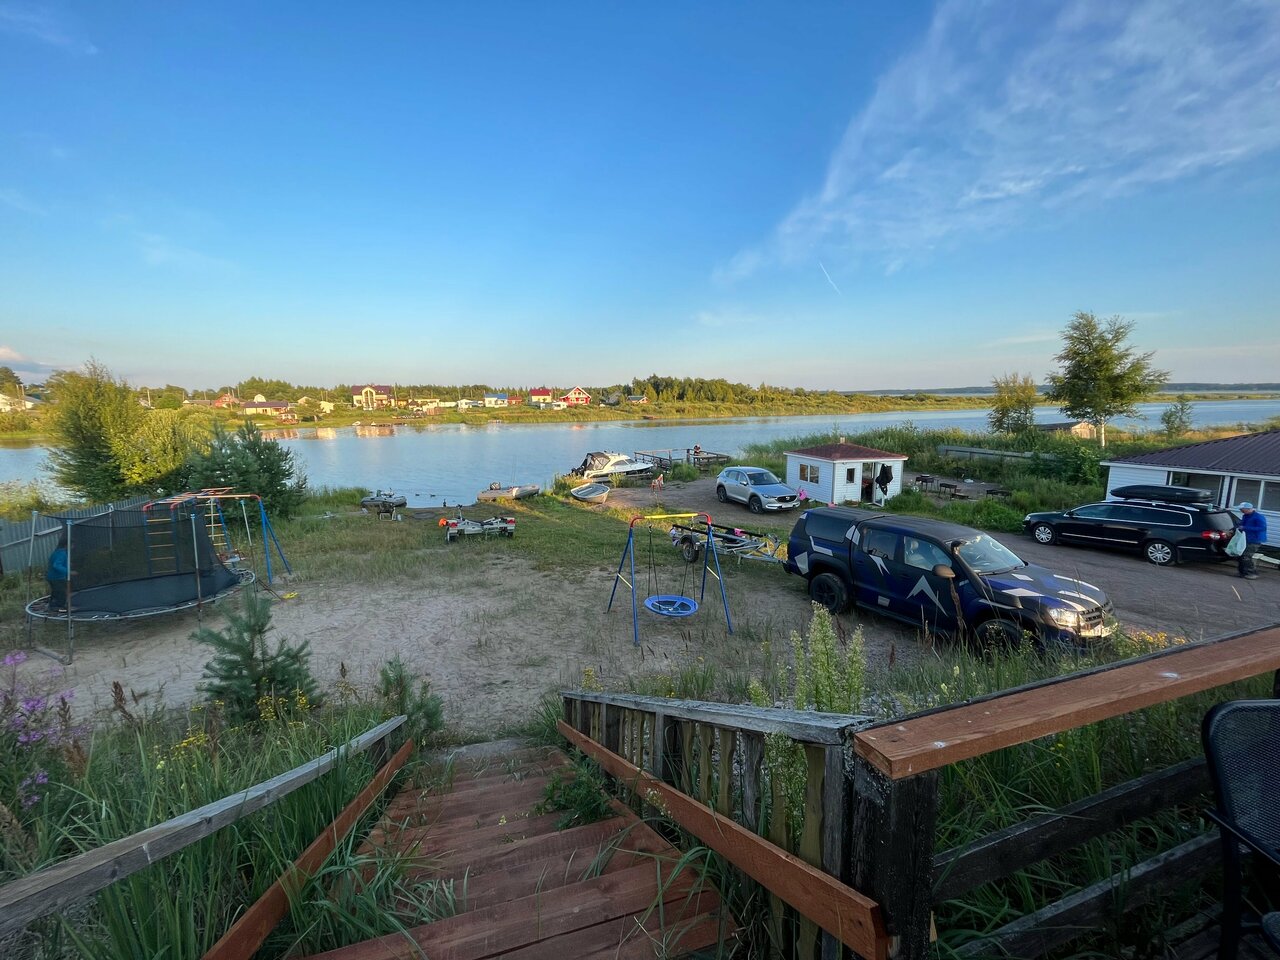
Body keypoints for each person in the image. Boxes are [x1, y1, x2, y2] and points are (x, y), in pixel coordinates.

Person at [1235, 502, 1268, 580]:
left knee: (1246, 556)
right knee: (1241, 555)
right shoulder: (1245, 516)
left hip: (1254, 540)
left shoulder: (1258, 517)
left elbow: (1262, 528)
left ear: (1248, 509)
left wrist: (1245, 528)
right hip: (1245, 539)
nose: (1241, 510)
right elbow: (1242, 525)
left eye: (1242, 509)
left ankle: (1251, 573)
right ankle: (1243, 572)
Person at [46, 531, 71, 610]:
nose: (73, 547)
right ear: (67, 545)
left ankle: (52, 605)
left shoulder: (57, 552)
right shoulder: (62, 553)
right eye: (72, 545)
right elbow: (56, 565)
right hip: (57, 577)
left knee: (55, 592)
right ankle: (59, 607)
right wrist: (68, 571)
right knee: (62, 593)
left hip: (52, 577)